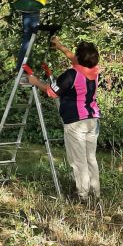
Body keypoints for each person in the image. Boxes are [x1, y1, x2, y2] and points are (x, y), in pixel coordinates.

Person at [24, 37, 101, 203]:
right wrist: (60, 47)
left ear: (79, 58)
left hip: (76, 122)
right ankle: (96, 194)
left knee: (79, 161)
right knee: (90, 158)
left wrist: (35, 81)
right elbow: (75, 59)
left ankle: (82, 196)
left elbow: (51, 92)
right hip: (92, 120)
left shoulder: (71, 75)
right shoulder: (94, 70)